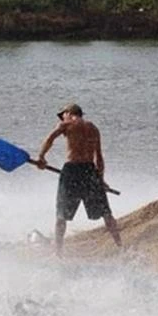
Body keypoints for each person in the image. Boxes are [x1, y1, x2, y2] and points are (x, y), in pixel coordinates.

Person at [36, 103, 122, 256]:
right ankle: (120, 246)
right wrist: (100, 179)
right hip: (90, 171)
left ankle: (58, 253)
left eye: (63, 114)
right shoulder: (93, 128)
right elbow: (99, 157)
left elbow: (50, 139)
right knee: (106, 213)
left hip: (72, 170)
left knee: (61, 215)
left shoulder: (66, 124)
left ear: (69, 113)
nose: (62, 117)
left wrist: (41, 157)